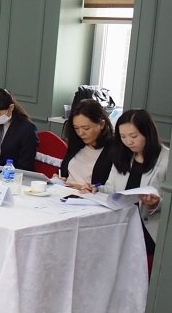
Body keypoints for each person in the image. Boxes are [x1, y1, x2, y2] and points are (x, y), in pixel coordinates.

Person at [98, 109, 168, 260]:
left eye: (133, 136)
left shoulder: (166, 159)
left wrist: (156, 203)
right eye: (123, 137)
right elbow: (111, 189)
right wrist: (95, 189)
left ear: (148, 133)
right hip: (121, 221)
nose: (128, 142)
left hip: (148, 228)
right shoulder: (123, 155)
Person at [60, 99, 114, 189]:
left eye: (86, 128)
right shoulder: (77, 143)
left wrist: (90, 188)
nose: (80, 133)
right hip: (65, 192)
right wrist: (59, 178)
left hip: (89, 196)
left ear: (101, 124)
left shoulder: (112, 150)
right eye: (76, 128)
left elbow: (111, 187)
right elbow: (65, 173)